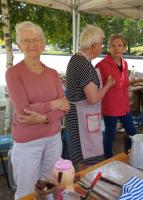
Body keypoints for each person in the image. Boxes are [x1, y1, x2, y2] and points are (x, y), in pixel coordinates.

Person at [5, 21, 70, 199]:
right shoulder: (13, 74)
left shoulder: (52, 73)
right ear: (19, 45)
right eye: (26, 41)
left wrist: (43, 116)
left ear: (43, 43)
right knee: (26, 191)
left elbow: (65, 107)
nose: (32, 44)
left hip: (53, 139)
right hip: (27, 144)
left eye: (36, 40)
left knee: (49, 186)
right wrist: (53, 104)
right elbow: (23, 112)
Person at [65, 25, 115, 169]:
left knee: (84, 159)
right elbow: (92, 98)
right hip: (81, 120)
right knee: (88, 162)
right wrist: (108, 85)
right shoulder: (83, 64)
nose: (102, 47)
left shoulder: (77, 59)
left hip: (82, 117)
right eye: (101, 44)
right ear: (94, 46)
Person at [96, 34, 136, 159]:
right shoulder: (101, 65)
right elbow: (97, 88)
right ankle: (107, 158)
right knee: (110, 134)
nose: (116, 48)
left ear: (124, 48)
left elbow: (124, 83)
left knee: (132, 132)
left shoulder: (125, 63)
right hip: (110, 107)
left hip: (124, 106)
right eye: (113, 45)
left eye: (120, 45)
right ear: (108, 48)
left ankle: (129, 153)